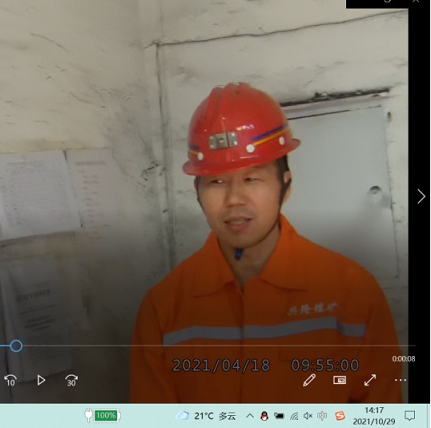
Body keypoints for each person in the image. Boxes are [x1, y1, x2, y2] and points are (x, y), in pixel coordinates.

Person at [129, 82, 402, 403]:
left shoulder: (352, 292)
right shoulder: (163, 308)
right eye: (216, 182)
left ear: (285, 186)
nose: (234, 199)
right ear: (198, 193)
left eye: (251, 179)